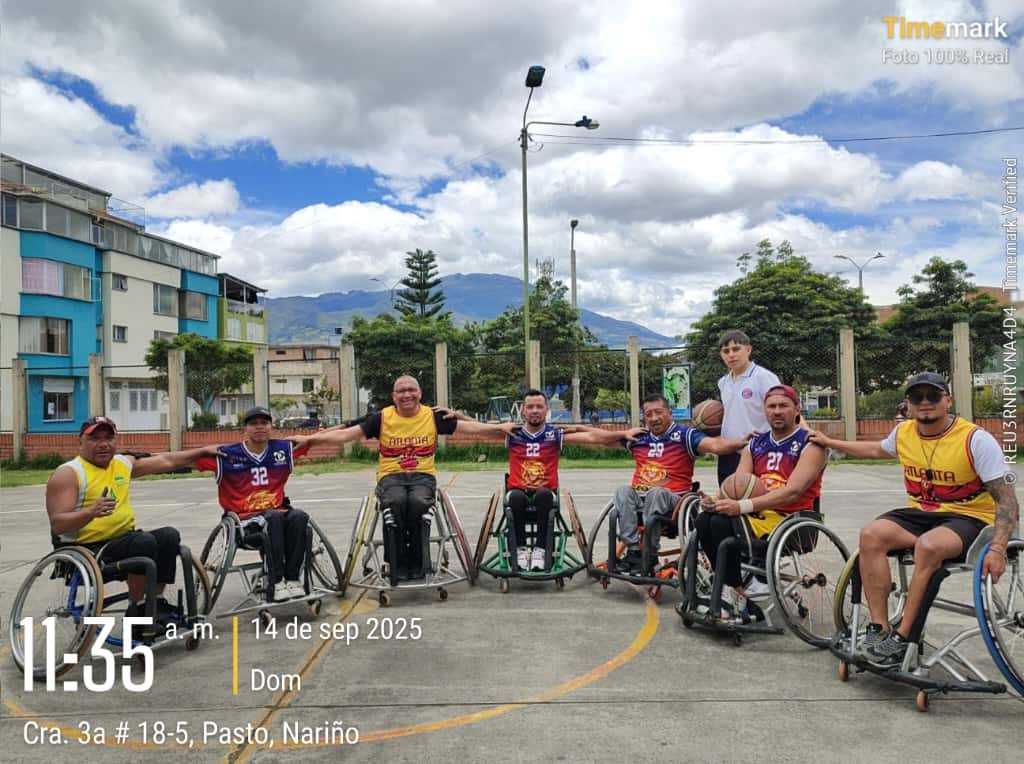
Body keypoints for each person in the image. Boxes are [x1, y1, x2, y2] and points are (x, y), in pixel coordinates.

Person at [808, 372, 1019, 669]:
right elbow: (874, 449)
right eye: (916, 397)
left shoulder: (976, 440)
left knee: (929, 546)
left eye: (932, 396)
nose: (924, 403)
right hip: (923, 512)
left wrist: (998, 549)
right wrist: (830, 441)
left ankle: (903, 637)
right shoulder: (904, 432)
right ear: (907, 404)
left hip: (971, 517)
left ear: (948, 400)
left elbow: (1008, 501)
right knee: (871, 535)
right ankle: (879, 631)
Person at [293, 375, 515, 581]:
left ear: (420, 393)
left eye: (411, 390)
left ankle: (419, 563)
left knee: (419, 503)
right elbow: (344, 434)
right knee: (396, 503)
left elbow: (471, 428)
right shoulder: (381, 418)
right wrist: (311, 440)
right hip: (391, 477)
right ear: (394, 396)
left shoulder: (434, 416)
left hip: (422, 477)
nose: (407, 394)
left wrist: (499, 428)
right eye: (401, 391)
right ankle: (396, 563)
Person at [46, 416, 217, 619]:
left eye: (109, 438)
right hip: (88, 550)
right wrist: (90, 512)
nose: (103, 444)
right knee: (142, 542)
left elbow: (167, 460)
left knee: (169, 536)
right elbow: (58, 525)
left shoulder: (122, 463)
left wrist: (203, 451)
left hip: (123, 540)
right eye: (94, 439)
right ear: (80, 442)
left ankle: (153, 601)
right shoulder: (69, 473)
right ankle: (137, 609)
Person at [697, 384, 827, 616]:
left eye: (783, 406)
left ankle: (735, 590)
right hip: (756, 514)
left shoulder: (811, 444)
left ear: (797, 408)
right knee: (705, 518)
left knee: (720, 523)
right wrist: (715, 499)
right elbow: (739, 483)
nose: (777, 411)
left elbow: (793, 491)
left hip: (790, 519)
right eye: (771, 406)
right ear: (764, 410)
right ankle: (735, 586)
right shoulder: (755, 444)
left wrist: (742, 506)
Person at [503, 389, 642, 571]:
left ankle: (540, 550)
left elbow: (592, 437)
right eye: (530, 407)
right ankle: (520, 549)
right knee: (515, 498)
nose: (535, 410)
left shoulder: (555, 434)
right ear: (523, 410)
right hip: (518, 490)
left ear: (546, 410)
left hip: (544, 493)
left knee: (545, 496)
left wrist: (622, 434)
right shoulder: (511, 433)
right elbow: (479, 428)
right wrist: (458, 417)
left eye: (539, 406)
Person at [613, 394, 749, 575]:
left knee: (657, 492)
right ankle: (634, 552)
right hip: (640, 500)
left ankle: (650, 554)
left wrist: (744, 443)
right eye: (649, 414)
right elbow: (595, 438)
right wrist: (569, 433)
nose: (654, 418)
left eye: (658, 412)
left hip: (674, 502)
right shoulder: (639, 437)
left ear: (670, 413)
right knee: (622, 490)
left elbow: (715, 446)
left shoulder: (685, 435)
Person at [194, 406, 312, 601]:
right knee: (273, 518)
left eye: (264, 423)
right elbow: (177, 462)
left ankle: (292, 579)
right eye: (253, 423)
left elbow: (321, 439)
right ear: (244, 429)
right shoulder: (226, 455)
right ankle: (275, 579)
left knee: (299, 516)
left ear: (271, 427)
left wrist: (311, 438)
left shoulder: (281, 449)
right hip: (244, 521)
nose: (259, 427)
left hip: (276, 513)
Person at [716, 329, 781, 485]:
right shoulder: (723, 382)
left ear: (748, 349)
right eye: (726, 351)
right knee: (728, 500)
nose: (731, 354)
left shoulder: (764, 377)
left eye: (736, 349)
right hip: (729, 450)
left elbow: (785, 409)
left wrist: (806, 433)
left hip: (758, 451)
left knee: (755, 502)